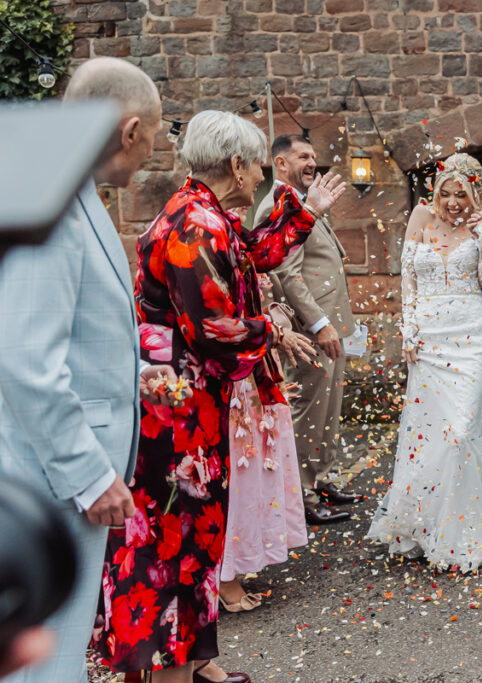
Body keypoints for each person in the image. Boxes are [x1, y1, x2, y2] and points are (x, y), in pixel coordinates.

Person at [91, 110, 345, 683]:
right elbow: (214, 328)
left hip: (193, 406)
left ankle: (195, 659)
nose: (259, 176)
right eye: (256, 165)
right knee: (178, 540)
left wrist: (304, 213)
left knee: (199, 535)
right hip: (177, 416)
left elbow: (250, 254)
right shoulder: (195, 224)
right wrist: (272, 329)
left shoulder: (207, 214)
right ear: (236, 164)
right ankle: (168, 671)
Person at [0, 57, 185, 683]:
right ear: (130, 129)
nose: (154, 151)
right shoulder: (52, 205)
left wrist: (133, 375)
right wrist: (89, 475)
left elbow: (72, 335)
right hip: (50, 481)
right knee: (44, 652)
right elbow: (24, 355)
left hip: (61, 471)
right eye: (157, 134)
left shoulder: (76, 196)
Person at [365, 153, 482, 572]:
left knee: (460, 432)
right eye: (445, 193)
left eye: (460, 193)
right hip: (427, 337)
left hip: (470, 333)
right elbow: (407, 276)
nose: (452, 202)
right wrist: (408, 330)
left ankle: (462, 529)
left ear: (475, 192)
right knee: (426, 433)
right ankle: (421, 525)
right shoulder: (420, 218)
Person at [255, 134, 359, 525]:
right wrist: (318, 324)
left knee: (328, 407)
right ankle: (299, 492)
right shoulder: (280, 203)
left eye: (314, 155)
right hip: (310, 325)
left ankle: (322, 476)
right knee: (308, 409)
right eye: (302, 156)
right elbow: (285, 271)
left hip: (330, 320)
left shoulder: (303, 201)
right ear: (280, 163)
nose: (312, 162)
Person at [218, 273, 313, 613]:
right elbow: (215, 321)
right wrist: (272, 330)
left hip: (253, 371)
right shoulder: (197, 241)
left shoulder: (235, 241)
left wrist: (273, 316)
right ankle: (222, 574)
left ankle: (238, 560)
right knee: (234, 473)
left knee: (253, 472)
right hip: (227, 375)